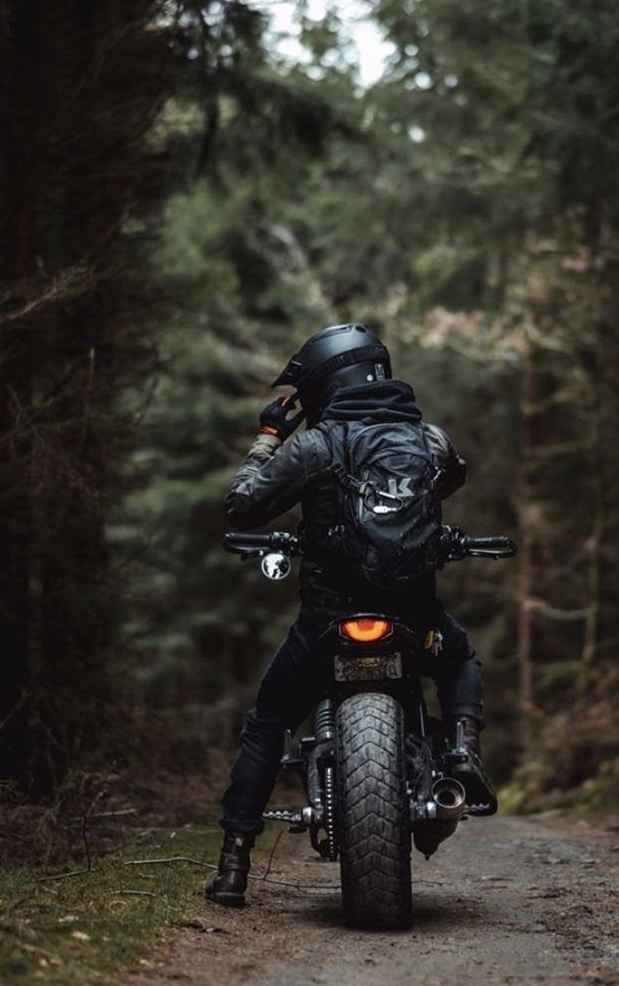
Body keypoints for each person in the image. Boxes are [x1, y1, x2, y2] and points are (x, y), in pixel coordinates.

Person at [206, 324, 496, 907]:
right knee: (460, 658)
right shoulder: (429, 439)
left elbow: (244, 503)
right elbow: (453, 478)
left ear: (322, 384)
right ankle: (462, 752)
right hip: (414, 614)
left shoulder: (314, 446)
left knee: (269, 723)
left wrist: (268, 436)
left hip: (327, 620)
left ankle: (235, 862)